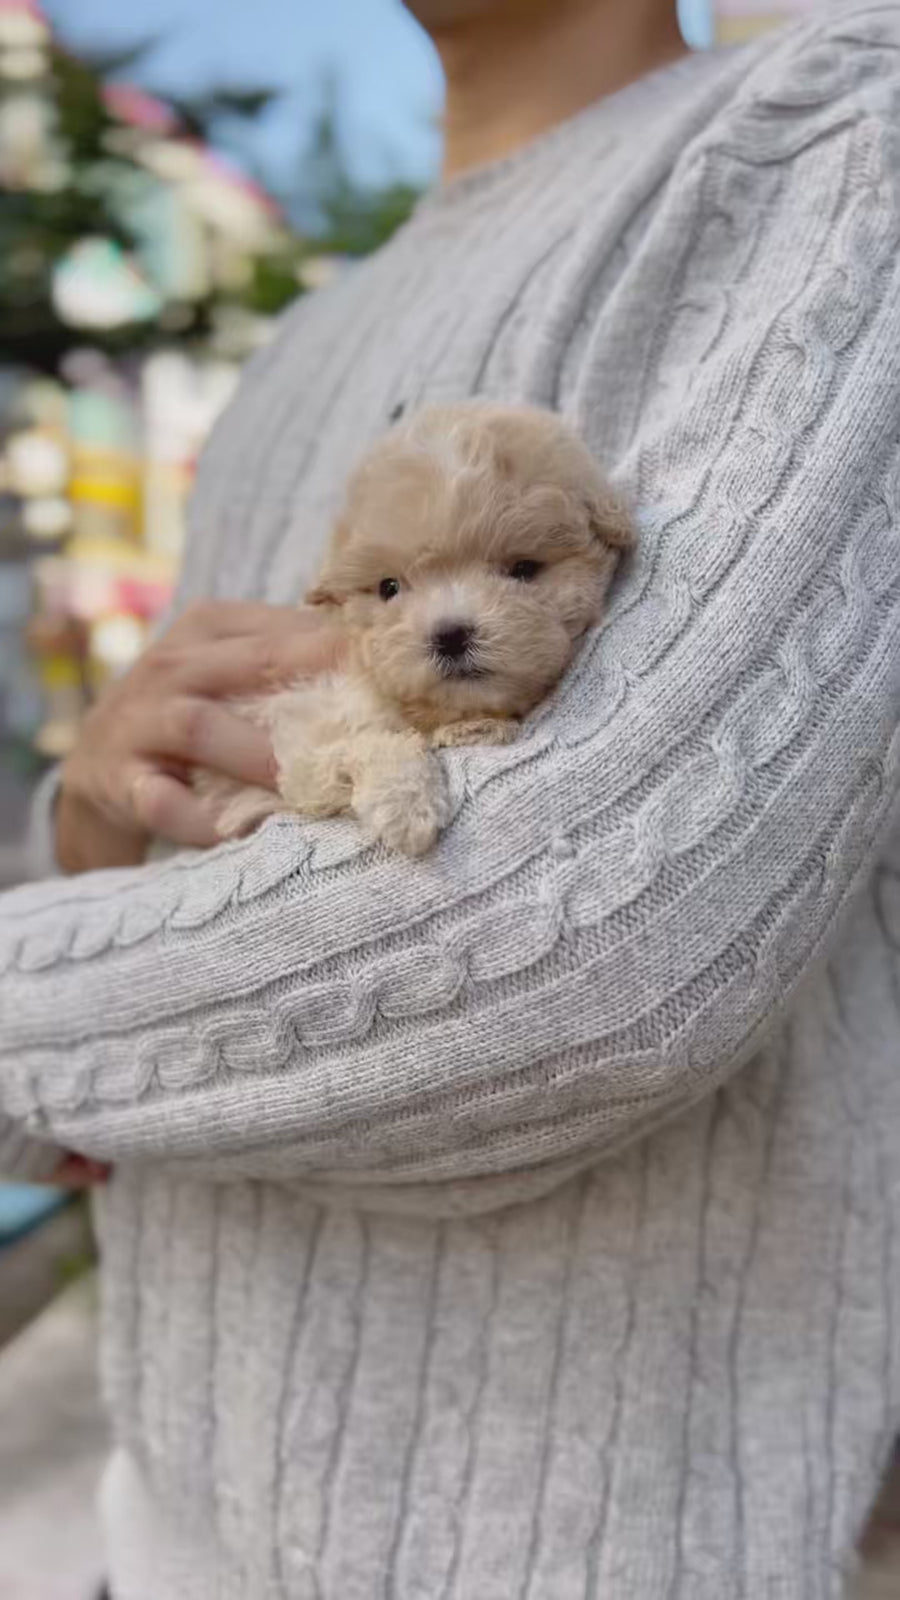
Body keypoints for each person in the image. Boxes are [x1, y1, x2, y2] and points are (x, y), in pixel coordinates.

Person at [1, 0, 899, 1593]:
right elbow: (130, 879)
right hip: (160, 1499)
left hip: (593, 1546)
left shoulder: (842, 134)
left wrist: (46, 1042)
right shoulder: (297, 347)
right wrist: (90, 819)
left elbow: (584, 957)